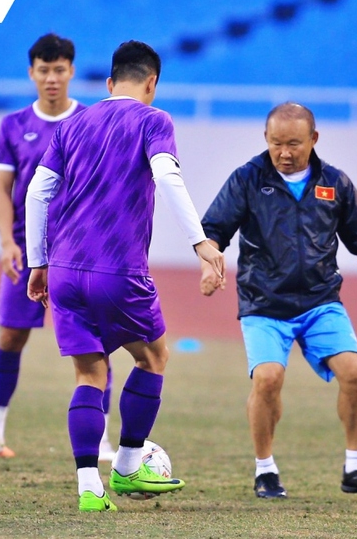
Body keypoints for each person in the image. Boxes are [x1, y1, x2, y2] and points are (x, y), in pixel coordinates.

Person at [23, 40, 226, 512]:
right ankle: (131, 463)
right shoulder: (154, 120)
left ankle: (89, 490)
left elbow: (37, 192)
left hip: (65, 271)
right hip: (117, 271)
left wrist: (39, 262)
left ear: (110, 83)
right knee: (153, 357)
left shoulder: (72, 124)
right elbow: (166, 177)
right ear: (152, 83)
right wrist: (200, 242)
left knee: (89, 373)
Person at [199, 102, 357, 499]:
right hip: (264, 302)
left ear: (313, 140)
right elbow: (213, 229)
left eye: (294, 143)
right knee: (268, 378)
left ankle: (355, 468)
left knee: (355, 373)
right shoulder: (247, 179)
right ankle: (265, 471)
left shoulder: (335, 183)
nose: (285, 152)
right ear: (266, 139)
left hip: (319, 300)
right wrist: (211, 263)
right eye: (276, 143)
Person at [0, 33, 116, 462]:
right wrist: (7, 241)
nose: (51, 78)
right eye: (43, 70)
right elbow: (1, 188)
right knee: (11, 335)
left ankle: (100, 440)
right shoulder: (13, 125)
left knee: (95, 344)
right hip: (27, 251)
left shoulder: (90, 121)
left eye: (59, 69)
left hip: (80, 252)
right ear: (32, 73)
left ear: (71, 71)